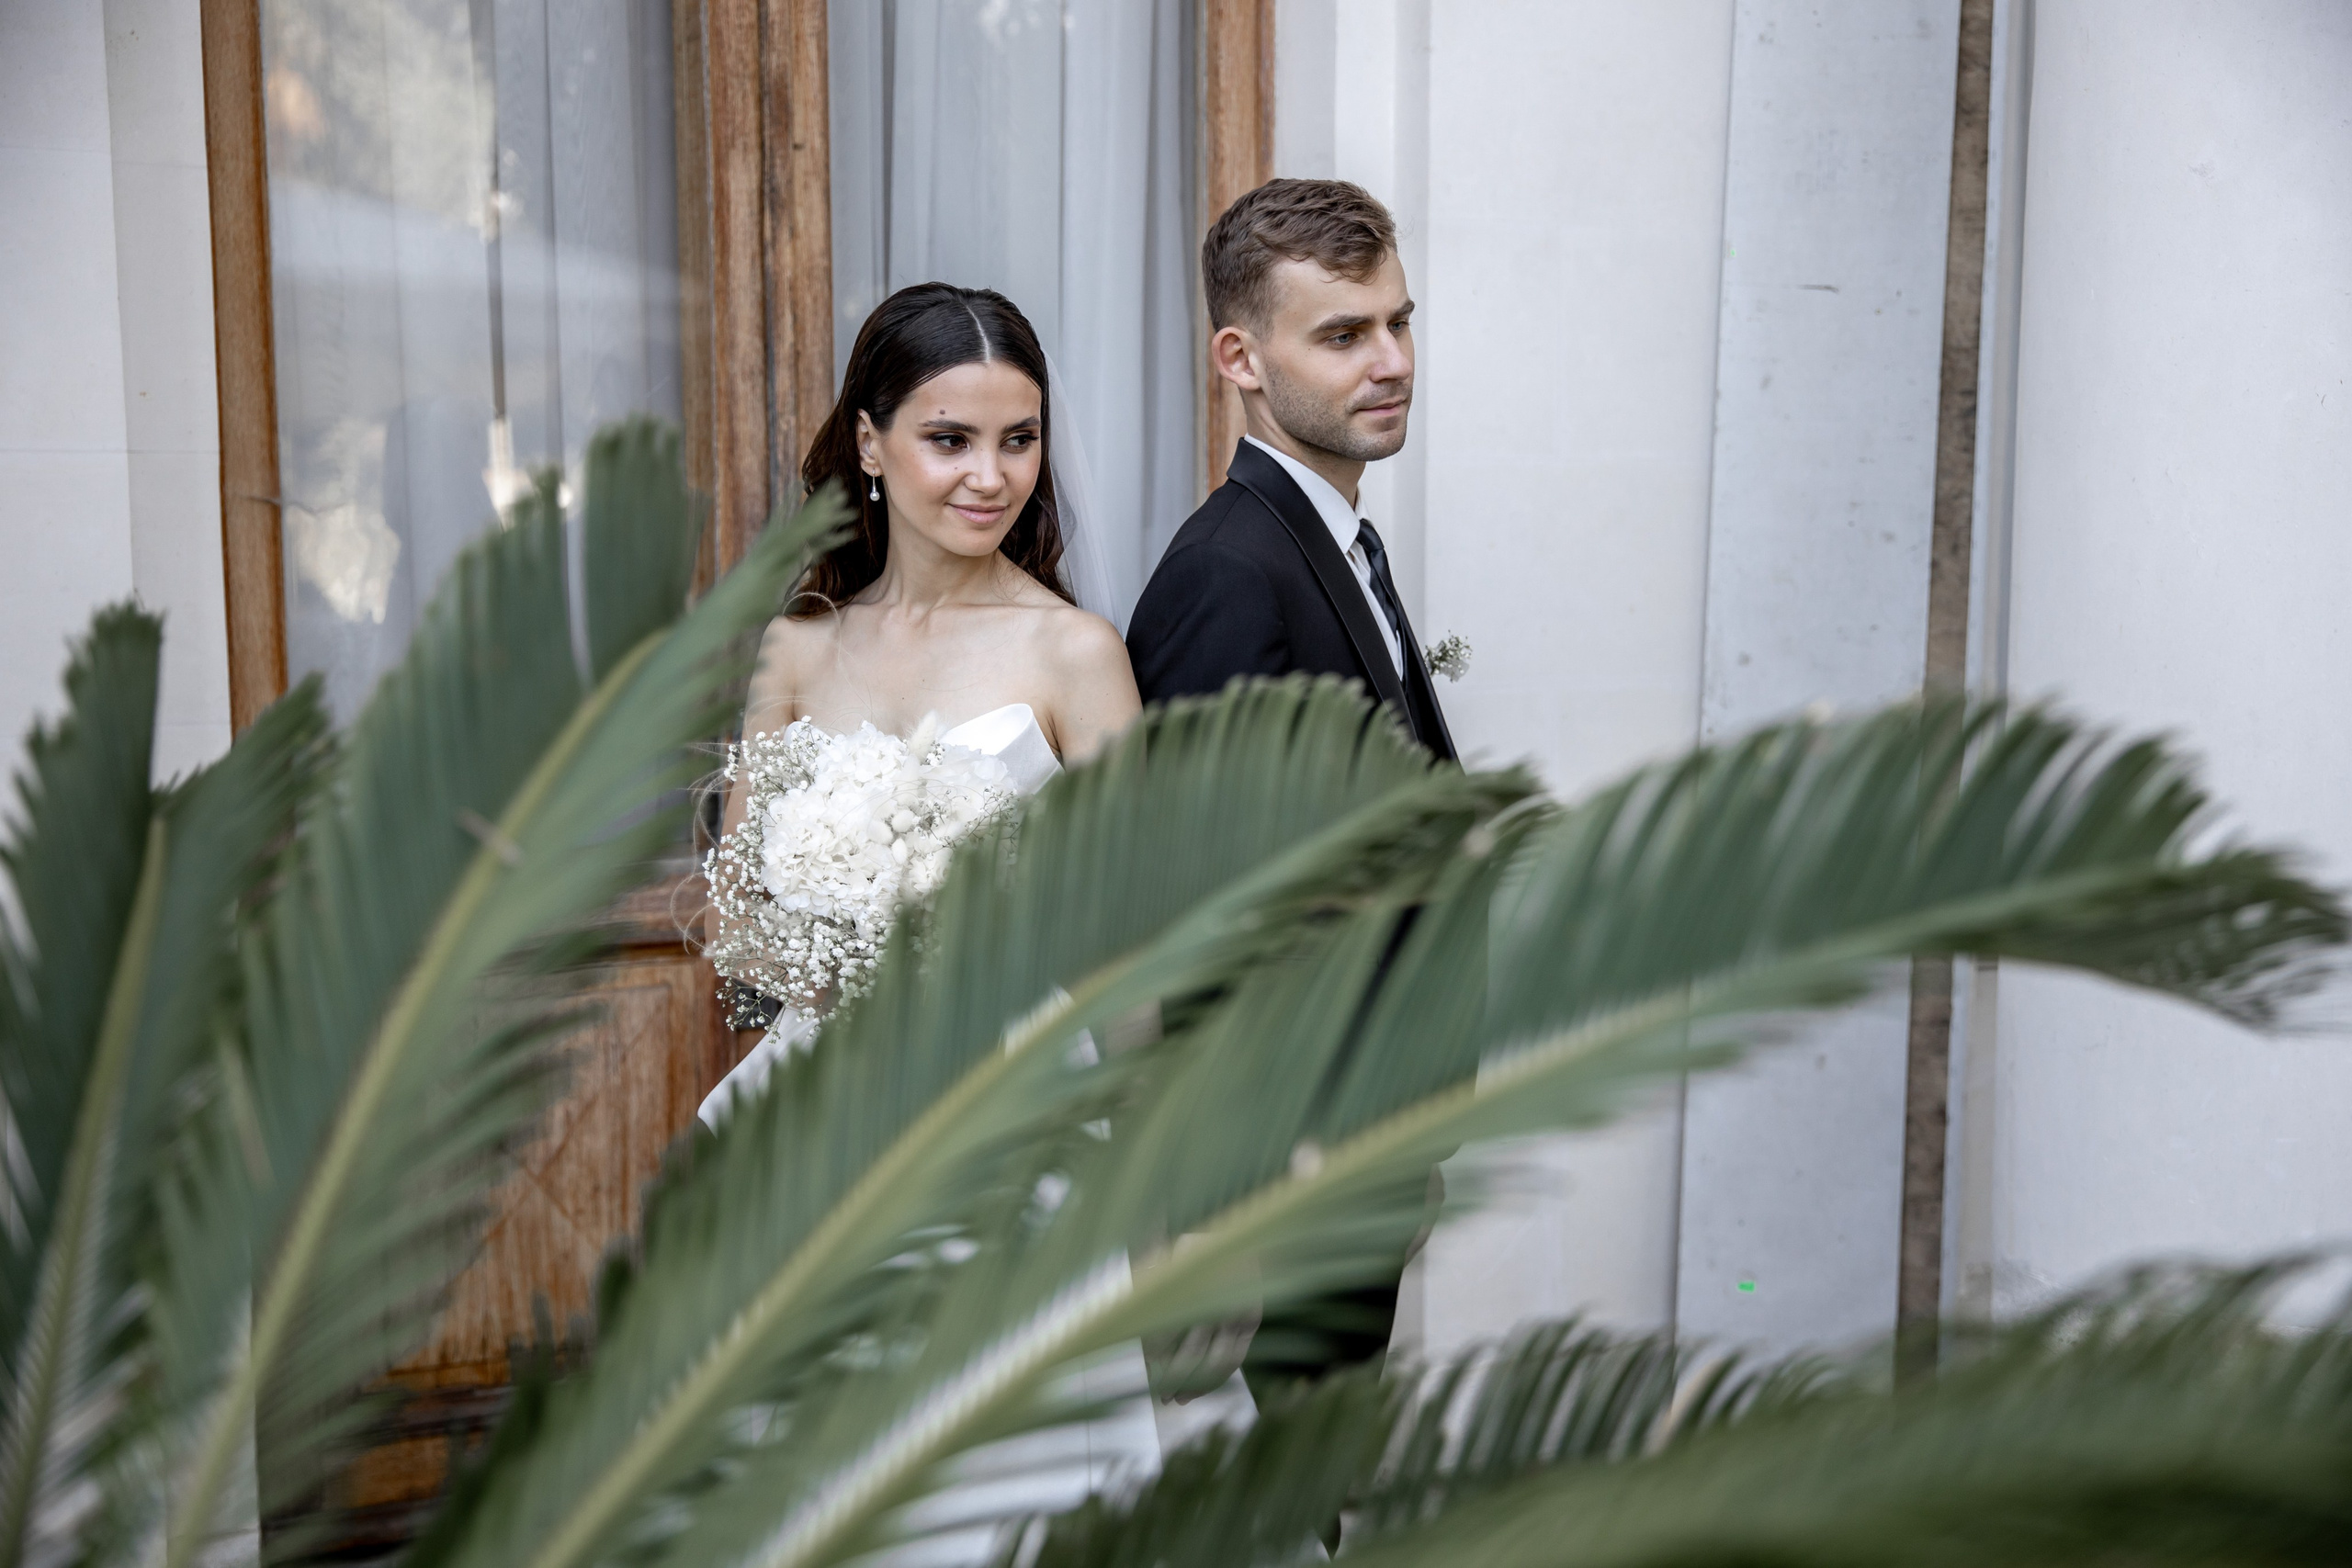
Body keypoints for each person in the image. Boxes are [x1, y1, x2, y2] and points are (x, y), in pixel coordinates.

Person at [697, 283, 1155, 1553]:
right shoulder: (794, 653)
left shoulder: (1075, 655)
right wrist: (857, 955)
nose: (991, 475)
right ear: (869, 442)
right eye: (951, 439)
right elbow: (745, 931)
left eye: (1020, 440)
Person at [1125, 178, 1455, 1408]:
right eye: (1343, 333)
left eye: (1399, 323)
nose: (1392, 362)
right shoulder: (1229, 573)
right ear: (1240, 357)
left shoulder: (1334, 545)